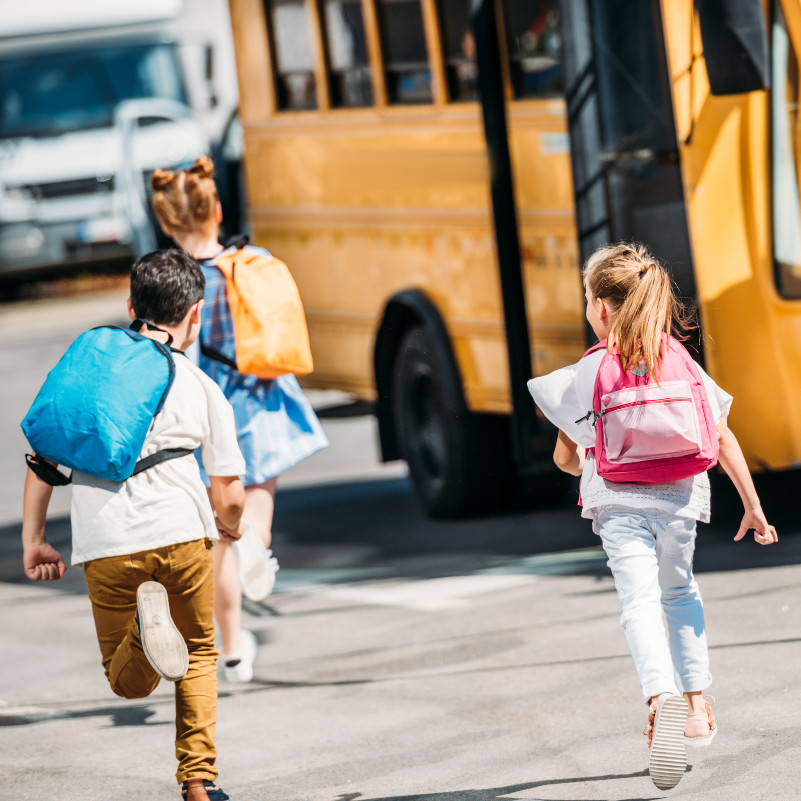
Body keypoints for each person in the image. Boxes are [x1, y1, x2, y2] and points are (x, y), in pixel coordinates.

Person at [527, 242, 778, 791]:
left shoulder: (589, 370)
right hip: (681, 500)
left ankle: (658, 695)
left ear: (598, 308)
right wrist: (753, 506)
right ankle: (695, 705)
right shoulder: (680, 359)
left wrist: (587, 458)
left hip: (619, 505)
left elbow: (566, 458)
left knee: (638, 603)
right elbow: (722, 433)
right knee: (680, 593)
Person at [21, 250, 248, 801]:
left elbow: (44, 459)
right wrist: (229, 527)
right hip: (182, 533)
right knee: (197, 652)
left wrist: (35, 539)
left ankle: (146, 642)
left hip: (107, 542)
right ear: (195, 315)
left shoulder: (91, 380)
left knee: (125, 681)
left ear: (130, 307)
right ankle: (200, 783)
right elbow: (231, 493)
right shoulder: (199, 384)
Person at [150, 156, 328, 683]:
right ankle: (258, 542)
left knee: (217, 537)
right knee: (256, 504)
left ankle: (232, 651)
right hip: (258, 399)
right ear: (218, 208)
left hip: (200, 411)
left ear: (165, 223)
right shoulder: (255, 261)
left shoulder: (169, 280)